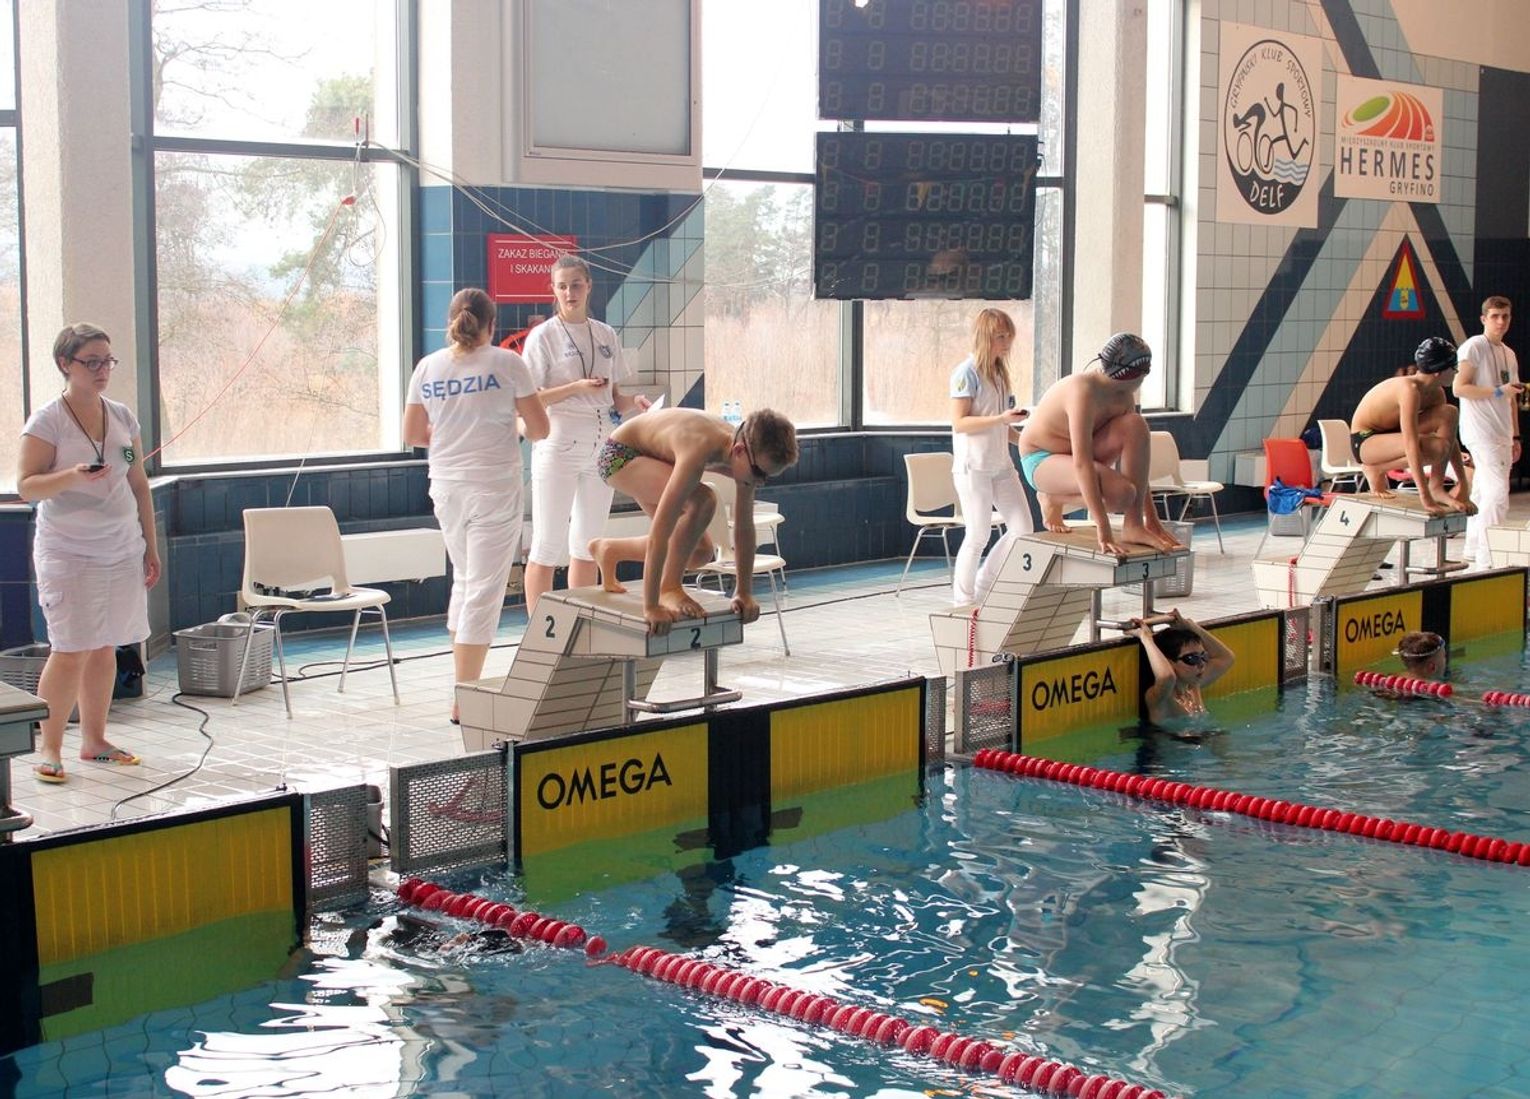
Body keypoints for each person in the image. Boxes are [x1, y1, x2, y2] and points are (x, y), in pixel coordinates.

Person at [17, 323, 160, 784]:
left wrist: (150, 547)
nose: (102, 370)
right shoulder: (48, 421)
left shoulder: (121, 416)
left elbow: (138, 483)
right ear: (66, 364)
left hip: (121, 546)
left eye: (107, 361)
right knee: (70, 648)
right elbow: (27, 486)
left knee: (106, 644)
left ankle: (95, 741)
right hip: (69, 550)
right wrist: (72, 476)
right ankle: (50, 748)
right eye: (91, 362)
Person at [403, 288, 549, 722]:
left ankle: (462, 685)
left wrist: (455, 432)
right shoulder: (508, 363)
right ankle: (464, 697)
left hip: (446, 488)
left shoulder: (428, 366)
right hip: (493, 488)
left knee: (466, 583)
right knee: (484, 590)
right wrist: (510, 425)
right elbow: (539, 428)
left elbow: (413, 433)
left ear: (451, 321)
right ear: (492, 323)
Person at [588, 407, 798, 635]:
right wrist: (651, 606)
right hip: (620, 456)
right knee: (703, 501)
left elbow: (744, 527)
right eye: (759, 473)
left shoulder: (745, 450)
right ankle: (669, 588)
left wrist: (744, 592)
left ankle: (609, 550)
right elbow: (660, 532)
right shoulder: (700, 447)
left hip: (654, 456)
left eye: (767, 477)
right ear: (738, 451)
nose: (761, 482)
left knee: (700, 552)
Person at [522, 255, 649, 612]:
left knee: (588, 543)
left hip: (602, 442)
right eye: (562, 286)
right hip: (559, 440)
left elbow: (613, 396)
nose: (569, 293)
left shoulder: (605, 333)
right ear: (553, 290)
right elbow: (530, 399)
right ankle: (539, 628)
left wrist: (634, 402)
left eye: (576, 285)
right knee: (547, 543)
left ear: (589, 286)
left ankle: (581, 622)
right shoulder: (543, 336)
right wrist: (575, 387)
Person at [1016, 332, 1182, 556]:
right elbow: (1082, 463)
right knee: (1122, 494)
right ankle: (1052, 497)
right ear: (1135, 375)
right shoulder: (1083, 391)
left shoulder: (1123, 395)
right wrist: (1104, 530)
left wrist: (1152, 521)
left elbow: (1139, 470)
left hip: (1077, 457)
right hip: (1042, 459)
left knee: (1135, 425)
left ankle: (1134, 526)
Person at [948, 308, 1034, 605]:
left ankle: (984, 584)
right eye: (1000, 337)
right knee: (977, 535)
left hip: (1001, 465)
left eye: (1009, 337)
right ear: (985, 337)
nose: (1007, 343)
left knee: (1023, 530)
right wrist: (1001, 419)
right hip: (973, 467)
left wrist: (1026, 442)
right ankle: (963, 600)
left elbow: (1004, 426)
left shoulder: (1000, 374)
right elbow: (960, 423)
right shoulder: (966, 373)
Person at [1348, 337, 1473, 514]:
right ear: (1438, 372)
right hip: (1365, 440)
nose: (1457, 372)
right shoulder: (1409, 390)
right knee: (1436, 448)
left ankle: (1436, 487)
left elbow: (1450, 439)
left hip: (1391, 433)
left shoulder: (1436, 392)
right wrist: (1425, 498)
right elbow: (1410, 443)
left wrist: (1463, 486)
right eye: (1454, 367)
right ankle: (1376, 468)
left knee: (1449, 413)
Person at [1454, 295, 1523, 569]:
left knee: (1483, 492)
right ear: (1484, 319)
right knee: (1497, 494)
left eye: (1505, 316)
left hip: (1502, 431)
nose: (1501, 321)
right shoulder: (1474, 346)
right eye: (1495, 316)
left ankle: (1472, 548)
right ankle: (1488, 557)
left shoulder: (1509, 353)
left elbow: (1512, 397)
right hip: (1481, 431)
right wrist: (1496, 391)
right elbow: (1459, 388)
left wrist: (1515, 435)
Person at [1131, 610, 1236, 726]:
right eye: (1192, 658)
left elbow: (1226, 657)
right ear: (1169, 662)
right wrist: (1146, 638)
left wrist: (1189, 625)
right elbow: (1167, 676)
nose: (1201, 664)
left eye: (1203, 656)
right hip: (1166, 738)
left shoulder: (1193, 686)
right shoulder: (1162, 698)